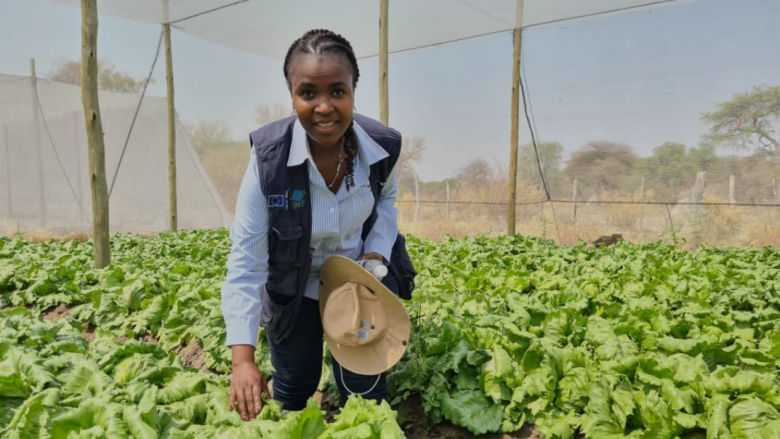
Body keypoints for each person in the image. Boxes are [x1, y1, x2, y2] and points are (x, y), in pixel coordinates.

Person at [220, 28, 402, 421]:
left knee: (365, 392)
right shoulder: (269, 162)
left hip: (356, 281)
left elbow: (386, 199)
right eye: (308, 93)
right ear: (292, 96)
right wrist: (242, 361)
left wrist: (376, 251)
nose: (324, 107)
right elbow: (247, 264)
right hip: (293, 285)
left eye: (337, 91)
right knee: (293, 387)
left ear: (353, 91)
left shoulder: (382, 148)